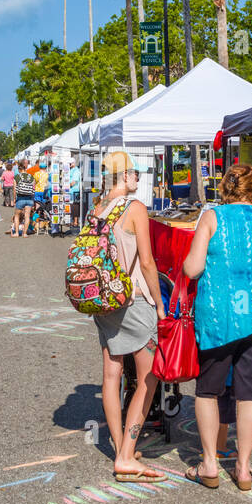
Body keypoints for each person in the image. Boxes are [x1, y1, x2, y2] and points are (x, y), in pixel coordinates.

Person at [182, 164, 252, 492]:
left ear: (225, 188)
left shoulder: (212, 218)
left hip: (220, 318)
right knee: (250, 394)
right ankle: (243, 469)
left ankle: (210, 463)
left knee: (207, 390)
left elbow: (194, 267)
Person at [89, 151, 167, 483]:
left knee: (112, 375)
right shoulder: (134, 209)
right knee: (149, 377)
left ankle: (122, 446)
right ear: (124, 176)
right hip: (133, 299)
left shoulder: (98, 209)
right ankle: (125, 456)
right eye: (135, 173)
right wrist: (160, 305)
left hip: (104, 301)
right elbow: (147, 263)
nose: (138, 178)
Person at [11, 160, 36, 237]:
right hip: (29, 198)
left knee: (17, 216)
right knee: (27, 216)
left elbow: (14, 189)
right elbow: (33, 188)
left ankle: (17, 233)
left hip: (20, 198)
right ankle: (25, 233)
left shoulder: (17, 177)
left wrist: (14, 199)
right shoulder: (31, 177)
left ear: (19, 169)